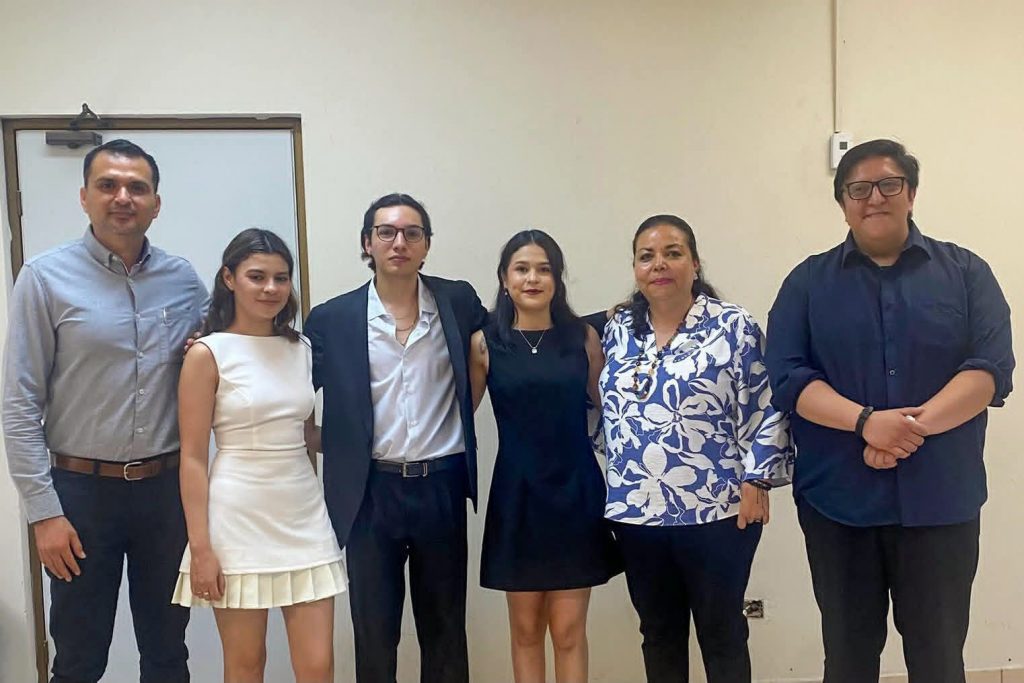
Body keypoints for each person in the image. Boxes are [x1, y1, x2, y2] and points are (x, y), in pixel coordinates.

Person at [765, 139, 1014, 683]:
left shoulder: (967, 272)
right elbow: (786, 377)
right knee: (848, 660)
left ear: (911, 194)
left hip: (941, 501)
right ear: (842, 203)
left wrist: (903, 430)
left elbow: (991, 370)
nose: (874, 197)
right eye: (858, 189)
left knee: (939, 659)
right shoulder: (806, 283)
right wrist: (864, 422)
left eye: (888, 184)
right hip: (838, 504)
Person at [2, 139, 205, 683]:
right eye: (108, 185)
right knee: (78, 658)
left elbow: (224, 355)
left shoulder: (184, 280)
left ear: (156, 203)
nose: (122, 197)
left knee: (168, 653)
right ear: (85, 197)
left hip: (166, 495)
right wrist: (44, 513)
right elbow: (19, 405)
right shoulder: (44, 278)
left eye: (137, 187)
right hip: (80, 496)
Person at [599, 214, 793, 683]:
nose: (659, 264)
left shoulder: (733, 326)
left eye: (673, 253)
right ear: (635, 268)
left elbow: (770, 403)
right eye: (646, 256)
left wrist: (758, 478)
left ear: (695, 263)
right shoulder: (618, 329)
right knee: (658, 634)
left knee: (722, 633)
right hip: (637, 514)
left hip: (719, 512)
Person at [304, 193, 487, 683]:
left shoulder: (457, 301)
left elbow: (508, 340)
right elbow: (289, 387)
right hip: (369, 492)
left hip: (441, 484)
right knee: (374, 633)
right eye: (386, 232)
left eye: (412, 233)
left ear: (426, 245)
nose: (399, 242)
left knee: (445, 632)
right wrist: (324, 440)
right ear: (368, 243)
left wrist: (594, 327)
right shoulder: (332, 318)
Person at [171, 229, 344, 683]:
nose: (271, 288)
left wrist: (369, 439)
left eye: (281, 278)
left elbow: (306, 434)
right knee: (246, 665)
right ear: (229, 278)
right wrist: (201, 548)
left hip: (303, 512)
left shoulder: (301, 348)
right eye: (257, 276)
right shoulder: (206, 353)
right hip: (236, 517)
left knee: (318, 666)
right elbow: (192, 457)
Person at [468, 229, 621, 683]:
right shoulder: (485, 343)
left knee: (570, 631)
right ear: (504, 278)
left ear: (557, 278)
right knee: (525, 630)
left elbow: (613, 414)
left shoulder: (584, 338)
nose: (532, 278)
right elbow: (456, 418)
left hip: (575, 492)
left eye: (543, 269)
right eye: (522, 269)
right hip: (517, 497)